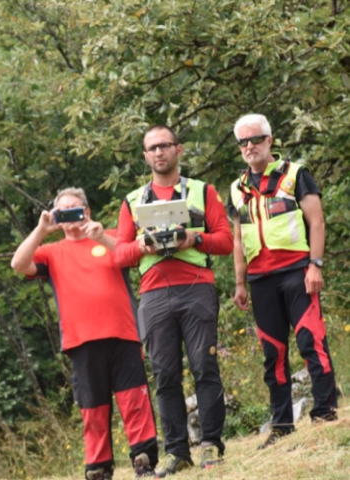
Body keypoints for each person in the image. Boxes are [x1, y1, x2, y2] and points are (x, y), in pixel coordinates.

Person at [11, 187, 159, 480]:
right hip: (81, 341)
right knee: (93, 408)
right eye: (62, 211)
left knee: (134, 401)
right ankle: (98, 469)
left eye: (75, 209)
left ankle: (144, 462)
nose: (70, 216)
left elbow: (133, 255)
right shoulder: (51, 252)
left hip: (123, 333)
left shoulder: (111, 236)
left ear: (87, 211)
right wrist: (42, 230)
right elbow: (18, 265)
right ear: (56, 217)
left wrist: (100, 235)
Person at [114, 125, 233, 477]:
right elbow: (119, 254)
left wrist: (193, 239)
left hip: (196, 287)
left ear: (178, 150)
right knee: (164, 374)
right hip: (152, 294)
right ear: (145, 156)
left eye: (164, 145)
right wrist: (142, 247)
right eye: (151, 148)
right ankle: (177, 451)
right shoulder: (132, 200)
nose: (158, 153)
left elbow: (225, 241)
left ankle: (211, 443)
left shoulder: (202, 190)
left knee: (204, 366)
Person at [228, 113, 338, 449]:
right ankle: (281, 425)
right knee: (272, 354)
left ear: (269, 141)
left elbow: (316, 222)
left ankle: (325, 414)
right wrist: (240, 283)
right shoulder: (236, 188)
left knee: (311, 343)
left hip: (296, 272)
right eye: (243, 142)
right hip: (259, 280)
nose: (250, 146)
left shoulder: (295, 174)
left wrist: (315, 266)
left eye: (256, 139)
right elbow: (236, 240)